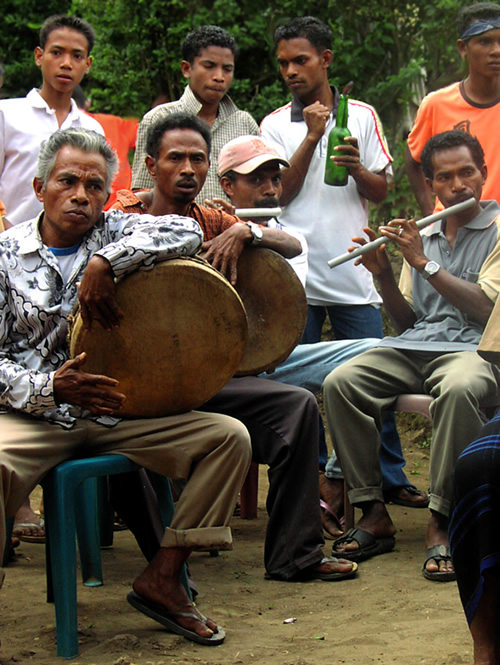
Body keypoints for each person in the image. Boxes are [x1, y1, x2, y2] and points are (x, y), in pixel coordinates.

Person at [0, 126, 254, 646]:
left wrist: (104, 262)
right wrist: (50, 387)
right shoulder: (4, 255)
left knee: (229, 438)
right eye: (67, 181)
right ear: (38, 188)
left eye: (95, 186)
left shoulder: (115, 231)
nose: (81, 195)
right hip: (35, 416)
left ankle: (163, 578)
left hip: (121, 415)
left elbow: (183, 234)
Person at [112, 111, 358, 581]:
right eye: (175, 158)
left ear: (208, 168)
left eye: (197, 159)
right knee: (120, 449)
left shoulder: (212, 218)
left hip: (205, 385)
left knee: (298, 407)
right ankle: (162, 571)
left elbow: (290, 244)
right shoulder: (121, 215)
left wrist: (248, 230)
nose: (187, 168)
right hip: (138, 390)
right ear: (151, 163)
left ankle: (295, 556)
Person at [213, 133, 427, 530]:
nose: (269, 188)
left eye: (274, 179)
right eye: (255, 180)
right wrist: (227, 226)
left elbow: (285, 265)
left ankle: (333, 474)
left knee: (377, 353)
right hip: (215, 368)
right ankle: (320, 485)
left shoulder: (290, 236)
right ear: (228, 185)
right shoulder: (206, 222)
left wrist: (248, 232)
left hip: (269, 364)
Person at [323, 130, 500, 581]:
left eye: (467, 172)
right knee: (342, 382)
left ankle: (442, 519)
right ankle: (372, 512)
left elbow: (485, 309)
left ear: (482, 172)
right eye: (445, 177)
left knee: (460, 389)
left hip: (474, 349)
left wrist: (424, 263)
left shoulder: (498, 230)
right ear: (430, 184)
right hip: (417, 347)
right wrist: (383, 276)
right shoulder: (424, 232)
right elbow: (408, 323)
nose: (458, 185)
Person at [131, 25, 258, 203]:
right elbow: (142, 191)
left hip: (234, 228)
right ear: (186, 69)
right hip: (174, 229)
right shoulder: (159, 119)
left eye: (227, 69)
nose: (219, 77)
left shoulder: (244, 124)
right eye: (209, 66)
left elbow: (258, 188)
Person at [0, 15, 104, 228]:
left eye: (77, 56)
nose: (66, 64)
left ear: (88, 64)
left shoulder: (92, 129)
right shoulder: (6, 114)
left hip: (70, 251)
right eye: (56, 53)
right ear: (39, 56)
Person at [405, 2, 500, 215]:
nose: (496, 50)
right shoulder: (437, 104)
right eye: (484, 42)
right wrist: (432, 217)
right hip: (456, 234)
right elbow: (413, 159)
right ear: (463, 48)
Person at [450, 409, 500, 665]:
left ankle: (485, 649)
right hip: (481, 466)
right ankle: (486, 648)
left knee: (481, 466)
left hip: (476, 464)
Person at [72, 85, 138, 209]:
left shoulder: (57, 128)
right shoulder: (115, 123)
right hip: (122, 207)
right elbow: (149, 138)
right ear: (87, 104)